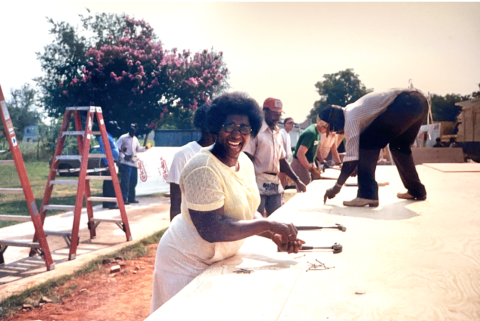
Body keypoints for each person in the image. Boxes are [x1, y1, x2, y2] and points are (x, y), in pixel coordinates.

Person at [150, 92, 305, 313]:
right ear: (215, 126)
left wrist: (275, 237)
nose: (236, 133)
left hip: (219, 258)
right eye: (229, 125)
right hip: (185, 261)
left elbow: (249, 213)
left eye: (244, 128)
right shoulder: (203, 168)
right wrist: (270, 225)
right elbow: (213, 228)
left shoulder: (244, 162)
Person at [323, 88, 429, 207]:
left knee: (366, 142)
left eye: (332, 128)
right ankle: (417, 191)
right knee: (399, 147)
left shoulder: (351, 119)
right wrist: (359, 164)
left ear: (335, 120)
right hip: (419, 102)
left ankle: (367, 195)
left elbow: (351, 159)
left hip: (404, 102)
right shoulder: (353, 110)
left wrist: (337, 187)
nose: (336, 132)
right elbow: (357, 157)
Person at [244, 98, 306, 217]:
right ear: (264, 112)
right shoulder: (256, 132)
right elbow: (247, 159)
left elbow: (282, 161)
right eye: (273, 114)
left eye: (278, 114)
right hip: (258, 183)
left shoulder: (278, 134)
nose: (276, 118)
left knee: (277, 218)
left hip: (274, 184)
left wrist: (297, 180)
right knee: (257, 219)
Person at [167, 103, 216, 221]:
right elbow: (175, 201)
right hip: (189, 226)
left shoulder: (225, 155)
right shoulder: (183, 155)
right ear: (201, 125)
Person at [116, 123, 150, 205]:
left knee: (133, 181)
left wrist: (145, 148)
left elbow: (138, 149)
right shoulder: (123, 138)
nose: (133, 131)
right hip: (126, 163)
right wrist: (123, 155)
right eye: (132, 129)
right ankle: (124, 198)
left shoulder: (135, 139)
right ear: (129, 129)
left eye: (134, 129)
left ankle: (131, 198)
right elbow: (117, 148)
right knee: (125, 182)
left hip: (134, 163)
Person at [290, 113, 325, 186]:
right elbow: (300, 154)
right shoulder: (311, 133)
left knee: (310, 185)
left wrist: (314, 166)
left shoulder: (317, 132)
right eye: (327, 128)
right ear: (322, 124)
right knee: (305, 188)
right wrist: (311, 170)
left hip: (306, 162)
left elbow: (313, 150)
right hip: (299, 163)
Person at [99, 121, 121, 209]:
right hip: (108, 162)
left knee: (108, 182)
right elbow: (104, 151)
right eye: (115, 129)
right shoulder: (104, 137)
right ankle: (111, 203)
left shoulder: (110, 136)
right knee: (111, 183)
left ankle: (107, 202)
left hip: (112, 161)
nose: (116, 131)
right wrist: (107, 164)